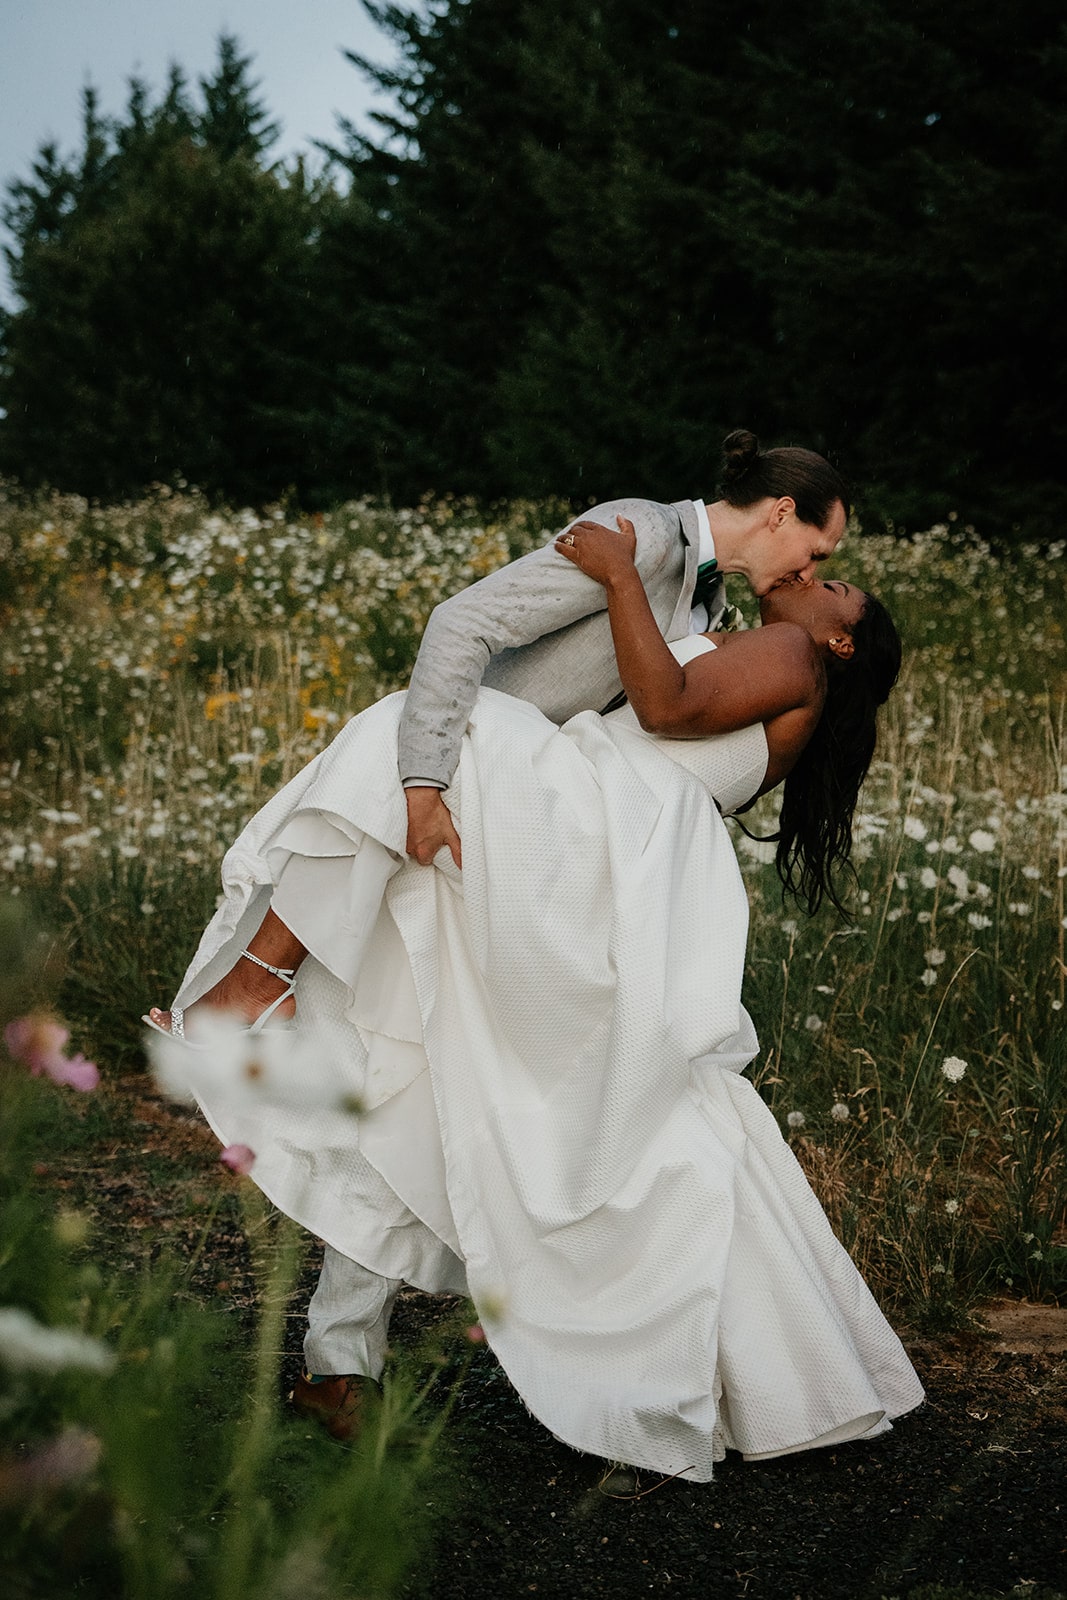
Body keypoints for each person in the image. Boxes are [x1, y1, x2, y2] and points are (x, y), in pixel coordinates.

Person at [144, 496, 923, 1482]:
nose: (814, 577)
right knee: (431, 1077)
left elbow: (664, 710)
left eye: (834, 586)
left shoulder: (795, 661)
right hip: (598, 849)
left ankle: (251, 984)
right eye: (821, 559)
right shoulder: (739, 639)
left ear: (843, 646)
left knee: (419, 733)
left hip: (595, 841)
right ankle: (338, 1365)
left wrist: (609, 575)